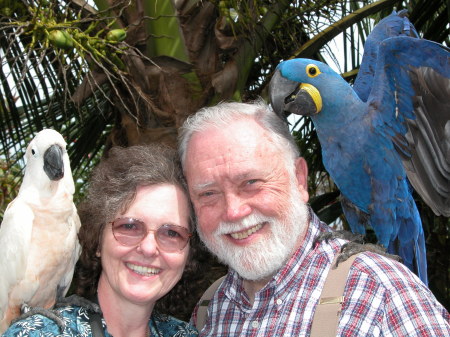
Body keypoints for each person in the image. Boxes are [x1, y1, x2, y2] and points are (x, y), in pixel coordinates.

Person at [177, 100, 450, 336]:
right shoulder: (209, 311)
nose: (234, 212)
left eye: (251, 182)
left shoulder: (381, 291)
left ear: (299, 179)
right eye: (208, 193)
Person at [2, 144, 199, 337]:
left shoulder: (184, 333)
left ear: (188, 252)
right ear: (98, 240)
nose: (148, 248)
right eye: (129, 226)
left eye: (172, 233)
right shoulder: (37, 333)